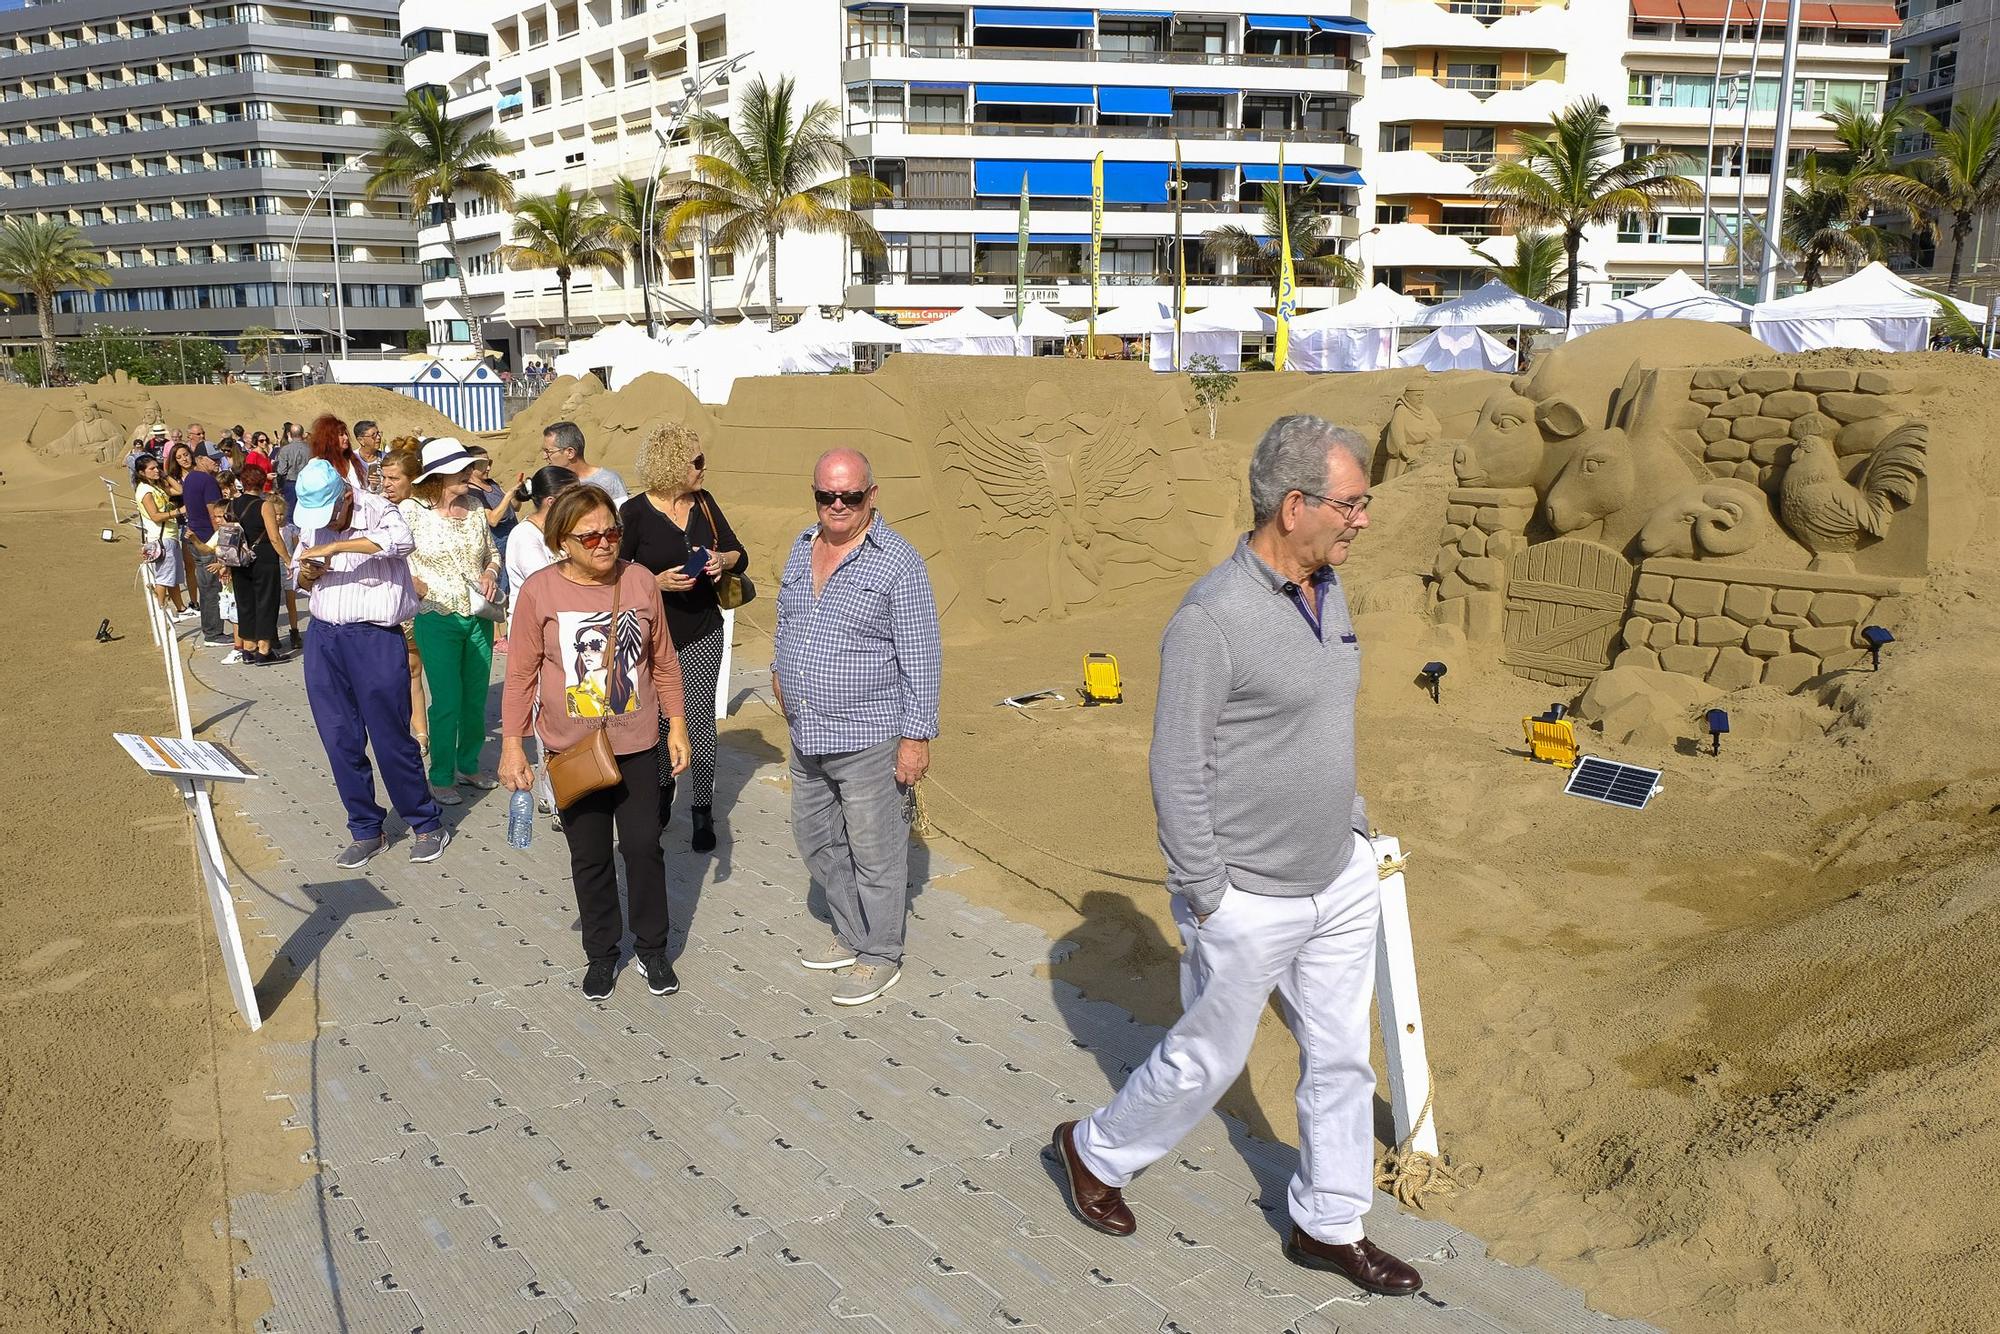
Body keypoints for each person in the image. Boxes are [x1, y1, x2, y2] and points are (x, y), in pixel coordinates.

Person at [1049, 415, 1422, 1298]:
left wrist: (1356, 829)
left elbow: (1323, 723)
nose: (1362, 518)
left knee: (1340, 1058)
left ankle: (1328, 1222)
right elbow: (1176, 765)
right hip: (1246, 894)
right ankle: (1092, 1149)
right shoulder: (1210, 619)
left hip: (1336, 874)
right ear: (1294, 506)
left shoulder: (1332, 590)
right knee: (1208, 1061)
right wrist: (1207, 893)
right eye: (1350, 503)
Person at [499, 486, 689, 1002]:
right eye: (591, 536)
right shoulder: (540, 591)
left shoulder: (641, 581)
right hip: (571, 750)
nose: (606, 544)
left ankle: (653, 950)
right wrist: (512, 746)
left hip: (637, 743)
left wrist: (677, 725)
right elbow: (520, 675)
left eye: (613, 532)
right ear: (563, 539)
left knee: (644, 848)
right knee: (588, 857)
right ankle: (601, 955)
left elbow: (664, 662)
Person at [771, 448, 940, 1007]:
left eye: (849, 495)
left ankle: (882, 952)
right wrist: (778, 669)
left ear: (872, 495)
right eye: (826, 495)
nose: (836, 505)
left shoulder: (898, 562)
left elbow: (921, 655)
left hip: (869, 735)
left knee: (877, 852)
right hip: (806, 731)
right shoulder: (801, 547)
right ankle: (855, 933)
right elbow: (786, 617)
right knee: (815, 839)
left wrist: (915, 738)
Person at [290, 460, 451, 867]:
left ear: (345, 496)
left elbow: (400, 543)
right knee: (339, 738)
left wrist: (336, 545)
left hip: (374, 639)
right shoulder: (311, 522)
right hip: (325, 638)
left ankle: (425, 822)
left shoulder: (379, 509)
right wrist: (309, 571)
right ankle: (365, 828)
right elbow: (299, 578)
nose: (325, 524)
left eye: (331, 514)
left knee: (390, 736)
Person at [620, 422, 748, 851]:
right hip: (653, 638)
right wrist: (655, 583)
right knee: (656, 720)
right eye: (696, 462)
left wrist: (719, 559)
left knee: (698, 720)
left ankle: (702, 809)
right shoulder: (634, 513)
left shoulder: (704, 503)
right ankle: (659, 797)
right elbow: (615, 575)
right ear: (672, 464)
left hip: (702, 630)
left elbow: (738, 552)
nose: (703, 468)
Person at [401, 437, 502, 804]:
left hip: (478, 615)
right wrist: (411, 582)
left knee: (475, 699)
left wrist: (491, 572)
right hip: (436, 615)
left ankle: (468, 765)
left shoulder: (475, 507)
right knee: (447, 700)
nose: (470, 474)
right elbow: (396, 557)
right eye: (462, 469)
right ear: (440, 475)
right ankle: (441, 775)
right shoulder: (411, 511)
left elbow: (492, 551)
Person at [380, 447, 431, 755]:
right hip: (389, 603)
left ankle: (421, 733)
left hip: (420, 604)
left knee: (414, 669)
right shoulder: (377, 511)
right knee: (394, 672)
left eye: (394, 478)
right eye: (384, 477)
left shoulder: (423, 512)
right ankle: (401, 732)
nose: (387, 484)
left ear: (412, 479)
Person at [218, 462, 288, 664]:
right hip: (263, 558)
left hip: (238, 558)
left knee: (245, 602)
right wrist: (288, 559)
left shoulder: (232, 504)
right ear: (261, 481)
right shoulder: (264, 505)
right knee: (266, 601)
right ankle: (264, 650)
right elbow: (274, 537)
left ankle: (248, 648)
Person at [180, 449, 229, 646]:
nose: (218, 461)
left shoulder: (191, 477)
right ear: (200, 459)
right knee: (211, 586)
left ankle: (211, 629)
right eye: (213, 458)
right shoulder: (208, 481)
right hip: (207, 539)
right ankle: (213, 633)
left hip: (195, 537)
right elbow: (214, 514)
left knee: (206, 585)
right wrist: (221, 540)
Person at [134, 454, 187, 617]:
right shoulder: (145, 491)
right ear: (142, 472)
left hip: (170, 535)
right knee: (164, 577)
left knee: (173, 576)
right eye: (152, 468)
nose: (156, 470)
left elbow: (180, 490)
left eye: (157, 467)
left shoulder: (156, 487)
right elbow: (155, 516)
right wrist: (178, 511)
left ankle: (181, 609)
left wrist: (165, 475)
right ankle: (160, 611)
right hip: (161, 537)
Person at [541, 421, 627, 506]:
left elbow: (623, 516)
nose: (544, 456)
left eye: (548, 451)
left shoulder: (609, 480)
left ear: (570, 453)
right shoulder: (551, 484)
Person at [308, 413, 364, 487]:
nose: (346, 438)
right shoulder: (317, 465)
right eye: (341, 435)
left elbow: (363, 487)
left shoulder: (354, 460)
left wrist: (373, 486)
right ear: (329, 439)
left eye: (346, 434)